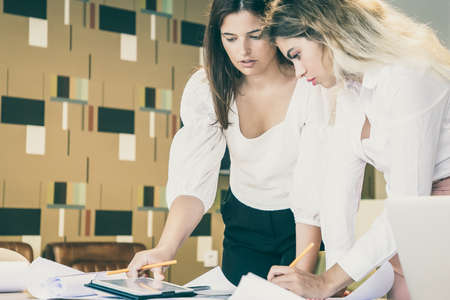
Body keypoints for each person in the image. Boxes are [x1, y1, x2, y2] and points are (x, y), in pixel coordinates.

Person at [127, 0, 329, 285]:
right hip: (244, 222)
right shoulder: (208, 88)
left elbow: (312, 186)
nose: (242, 51)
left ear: (276, 32)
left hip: (306, 226)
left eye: (255, 35)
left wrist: (304, 273)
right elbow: (193, 180)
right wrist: (164, 248)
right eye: (230, 38)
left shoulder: (309, 85)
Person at [264, 0, 450, 299]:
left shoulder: (409, 74)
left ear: (326, 33)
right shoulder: (352, 89)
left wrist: (327, 281)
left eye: (296, 55)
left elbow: (407, 204)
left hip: (435, 218)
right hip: (414, 222)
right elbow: (338, 192)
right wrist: (337, 286)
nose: (298, 71)